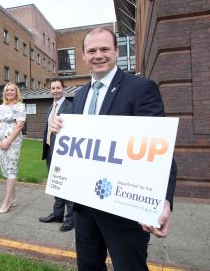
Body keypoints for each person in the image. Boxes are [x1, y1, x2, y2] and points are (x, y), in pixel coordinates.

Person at [49, 27, 177, 270]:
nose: (99, 55)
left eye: (105, 49)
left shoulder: (141, 88)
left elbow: (161, 149)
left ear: (116, 51)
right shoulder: (80, 95)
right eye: (92, 50)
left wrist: (164, 200)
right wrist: (61, 127)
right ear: (84, 56)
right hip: (85, 207)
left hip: (125, 211)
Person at [39, 78, 74, 232]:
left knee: (66, 185)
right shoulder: (49, 108)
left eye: (58, 88)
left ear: (63, 89)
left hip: (63, 153)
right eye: (53, 88)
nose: (55, 91)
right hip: (49, 151)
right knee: (55, 184)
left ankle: (70, 219)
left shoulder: (70, 107)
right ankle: (57, 214)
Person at [0, 82, 26, 213]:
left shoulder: (20, 106)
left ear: (16, 92)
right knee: (5, 169)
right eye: (7, 90)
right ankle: (13, 198)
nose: (10, 92)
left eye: (12, 90)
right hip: (0, 141)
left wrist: (7, 142)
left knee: (12, 169)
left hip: (13, 141)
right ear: (4, 93)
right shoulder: (1, 107)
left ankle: (7, 200)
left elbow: (19, 125)